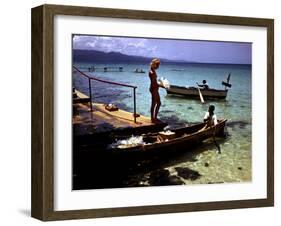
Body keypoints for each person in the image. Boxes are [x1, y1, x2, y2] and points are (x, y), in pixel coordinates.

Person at [149, 58, 162, 123]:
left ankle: (154, 118)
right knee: (154, 104)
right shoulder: (151, 72)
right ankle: (153, 119)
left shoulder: (153, 70)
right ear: (154, 65)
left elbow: (154, 81)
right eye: (157, 65)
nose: (158, 67)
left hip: (155, 88)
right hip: (154, 89)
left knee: (158, 103)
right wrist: (160, 85)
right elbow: (153, 83)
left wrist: (159, 83)